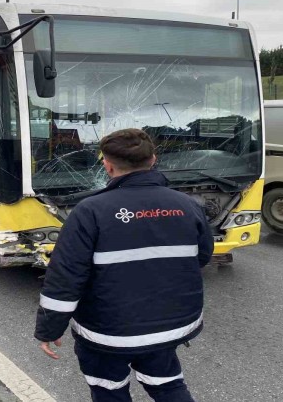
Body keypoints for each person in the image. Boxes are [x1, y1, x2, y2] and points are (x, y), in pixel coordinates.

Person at [35, 128, 214, 402]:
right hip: (169, 328)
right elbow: (200, 258)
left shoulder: (89, 211)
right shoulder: (187, 205)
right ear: (153, 160)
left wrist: (49, 329)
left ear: (107, 165)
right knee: (167, 384)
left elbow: (65, 278)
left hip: (108, 333)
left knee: (109, 390)